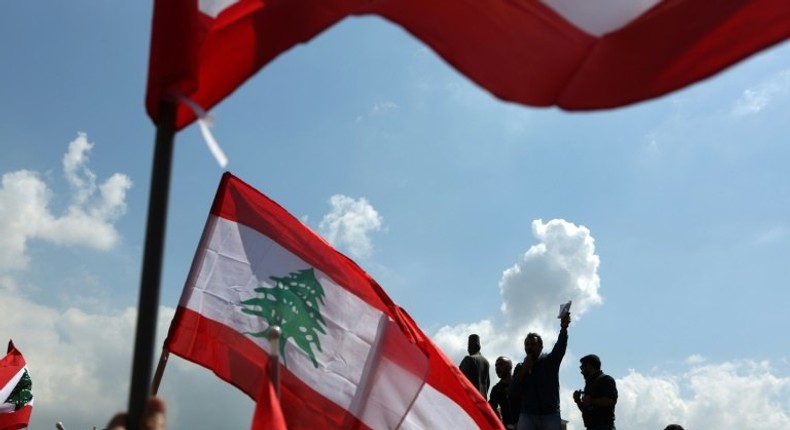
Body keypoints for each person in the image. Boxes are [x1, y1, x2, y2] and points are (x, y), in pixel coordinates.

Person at [509, 312, 571, 430]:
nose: (529, 347)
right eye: (527, 345)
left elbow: (560, 347)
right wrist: (524, 370)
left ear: (541, 347)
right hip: (527, 414)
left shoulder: (550, 361)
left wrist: (563, 329)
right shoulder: (520, 367)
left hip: (550, 414)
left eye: (533, 344)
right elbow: (512, 393)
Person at [573, 354, 618, 430]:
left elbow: (611, 400)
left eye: (583, 366)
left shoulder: (606, 380)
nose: (581, 370)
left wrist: (591, 400)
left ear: (589, 366)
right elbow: (586, 409)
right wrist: (578, 401)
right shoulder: (589, 384)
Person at [459, 334, 491, 398]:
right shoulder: (486, 362)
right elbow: (488, 384)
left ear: (470, 347)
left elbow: (460, 380)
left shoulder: (468, 359)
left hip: (470, 400)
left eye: (468, 346)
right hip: (482, 401)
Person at [489, 356, 516, 429]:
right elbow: (491, 408)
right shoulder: (497, 389)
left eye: (501, 365)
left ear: (510, 367)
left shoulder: (519, 383)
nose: (497, 368)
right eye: (496, 366)